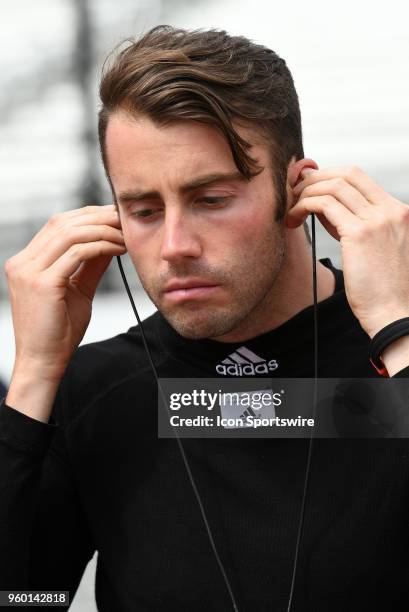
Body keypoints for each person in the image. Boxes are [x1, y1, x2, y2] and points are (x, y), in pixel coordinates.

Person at [1, 25, 409, 612]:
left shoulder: (393, 358)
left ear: (297, 191)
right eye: (143, 209)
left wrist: (396, 328)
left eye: (211, 200)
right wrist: (35, 378)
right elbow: (22, 599)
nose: (174, 245)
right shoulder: (93, 391)